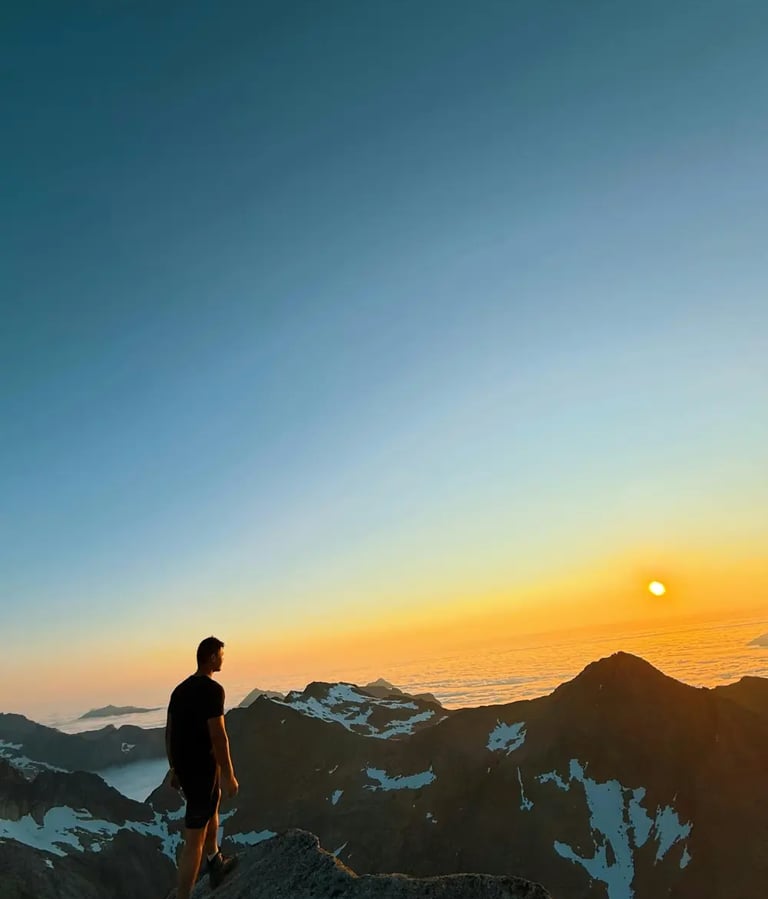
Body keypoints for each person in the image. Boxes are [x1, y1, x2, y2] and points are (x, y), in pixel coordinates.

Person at [165, 636, 239, 898]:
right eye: (220, 655)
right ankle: (184, 895)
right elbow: (218, 736)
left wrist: (174, 768)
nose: (222, 659)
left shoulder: (179, 690)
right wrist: (229, 774)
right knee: (193, 840)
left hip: (187, 768)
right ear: (211, 658)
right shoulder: (213, 690)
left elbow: (170, 731)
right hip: (202, 770)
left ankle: (215, 860)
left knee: (212, 807)